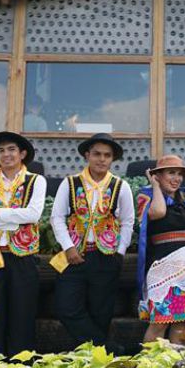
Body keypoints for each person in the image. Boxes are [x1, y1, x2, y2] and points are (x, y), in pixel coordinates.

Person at [50, 133, 133, 351]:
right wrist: (68, 248)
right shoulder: (70, 183)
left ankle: (95, 361)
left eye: (107, 155)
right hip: (74, 256)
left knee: (101, 312)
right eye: (97, 154)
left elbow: (128, 221)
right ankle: (110, 350)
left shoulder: (120, 186)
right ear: (87, 155)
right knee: (66, 308)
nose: (102, 159)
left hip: (106, 256)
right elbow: (57, 218)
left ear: (112, 159)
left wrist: (120, 253)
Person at [0, 131, 46, 356]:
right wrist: (16, 219)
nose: (6, 154)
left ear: (22, 154)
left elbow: (33, 215)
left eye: (11, 149)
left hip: (23, 256)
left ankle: (21, 362)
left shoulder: (35, 181)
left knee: (23, 311)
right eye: (1, 150)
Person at [137, 155, 185, 345]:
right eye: (171, 173)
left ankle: (179, 362)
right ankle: (149, 363)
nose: (176, 178)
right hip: (164, 269)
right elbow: (158, 212)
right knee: (159, 323)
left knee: (182, 322)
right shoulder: (147, 196)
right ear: (158, 175)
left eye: (179, 174)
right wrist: (155, 186)